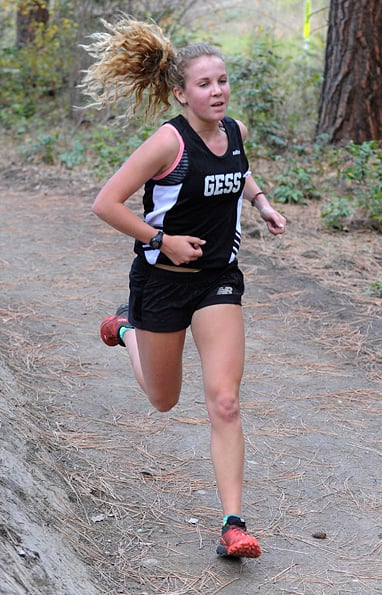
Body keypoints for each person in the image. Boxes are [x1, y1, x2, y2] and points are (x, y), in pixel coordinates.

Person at [81, 16, 286, 559]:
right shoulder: (167, 143)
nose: (216, 91)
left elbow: (238, 170)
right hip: (163, 282)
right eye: (204, 84)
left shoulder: (235, 130)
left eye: (222, 81)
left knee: (224, 400)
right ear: (181, 92)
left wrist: (262, 204)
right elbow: (105, 203)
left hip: (219, 280)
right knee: (164, 400)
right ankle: (126, 328)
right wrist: (162, 239)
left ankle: (233, 525)